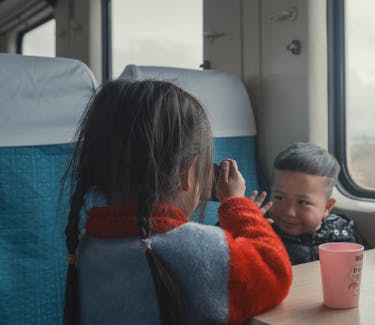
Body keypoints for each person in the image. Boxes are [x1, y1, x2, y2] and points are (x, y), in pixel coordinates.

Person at [63, 79, 292, 325]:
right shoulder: (201, 250)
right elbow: (274, 272)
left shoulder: (87, 245)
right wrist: (237, 204)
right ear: (187, 172)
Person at [262, 142, 367, 265]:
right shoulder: (262, 234)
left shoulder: (342, 232)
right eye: (279, 197)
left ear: (327, 207)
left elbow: (361, 266)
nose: (289, 212)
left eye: (302, 202)